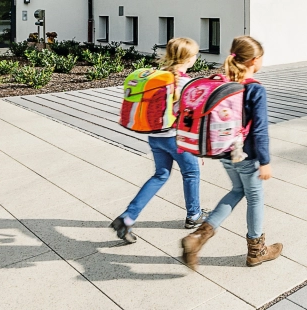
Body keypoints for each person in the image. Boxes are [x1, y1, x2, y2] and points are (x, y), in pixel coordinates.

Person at [181, 36, 282, 269]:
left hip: (225, 152)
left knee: (237, 190)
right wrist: (265, 161)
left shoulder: (224, 84)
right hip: (247, 155)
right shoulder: (255, 89)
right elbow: (260, 130)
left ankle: (199, 236)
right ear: (254, 61)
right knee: (255, 197)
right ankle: (257, 250)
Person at [111, 37, 205, 244]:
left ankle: (127, 218)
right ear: (188, 59)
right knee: (191, 173)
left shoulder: (159, 77)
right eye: (195, 55)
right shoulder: (185, 82)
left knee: (160, 175)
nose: (196, 58)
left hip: (155, 137)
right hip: (177, 139)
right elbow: (191, 115)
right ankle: (194, 215)